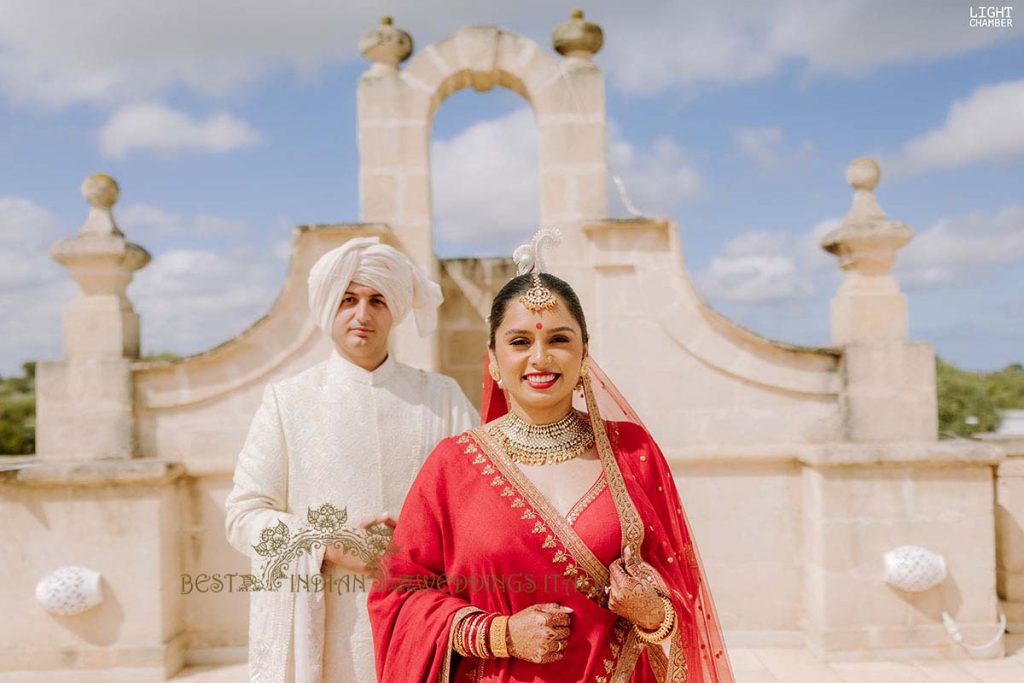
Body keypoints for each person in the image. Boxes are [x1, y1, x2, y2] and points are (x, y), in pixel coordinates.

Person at [369, 231, 734, 682]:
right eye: (520, 342)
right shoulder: (453, 465)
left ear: (584, 353)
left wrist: (652, 612)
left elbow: (685, 594)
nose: (540, 358)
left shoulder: (632, 451)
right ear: (493, 359)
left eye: (559, 339)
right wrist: (500, 635)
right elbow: (399, 596)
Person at [225, 236, 478, 683]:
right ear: (329, 307)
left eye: (377, 300)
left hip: (426, 621)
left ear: (394, 309)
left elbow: (481, 505)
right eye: (348, 299)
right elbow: (243, 516)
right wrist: (327, 545)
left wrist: (421, 546)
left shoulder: (443, 399)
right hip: (328, 634)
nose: (363, 315)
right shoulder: (288, 401)